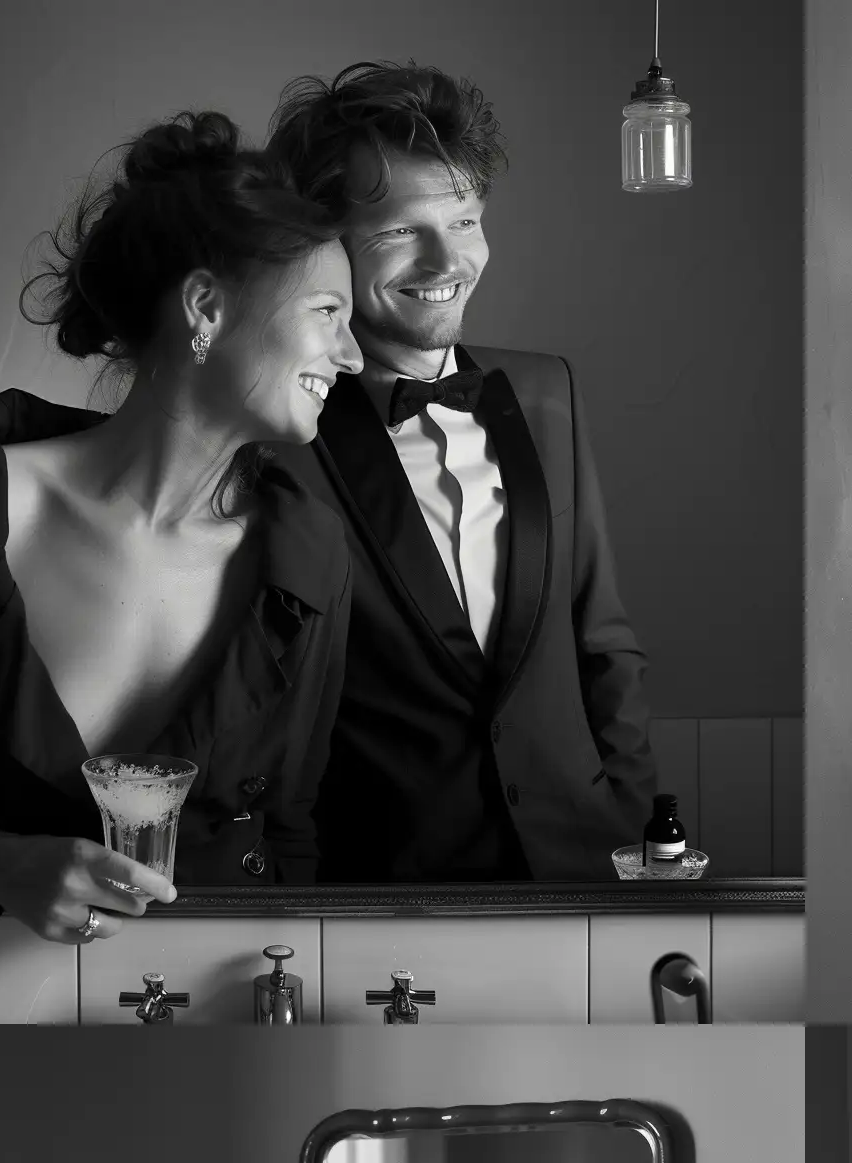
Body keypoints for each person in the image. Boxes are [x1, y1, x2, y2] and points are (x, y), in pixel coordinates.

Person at [0, 114, 360, 948]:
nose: (351, 355)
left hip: (228, 997)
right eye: (328, 311)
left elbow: (292, 835)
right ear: (205, 305)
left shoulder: (308, 558)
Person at [265, 62, 657, 885]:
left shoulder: (549, 388)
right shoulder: (277, 439)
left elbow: (603, 639)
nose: (448, 258)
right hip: (384, 888)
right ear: (324, 245)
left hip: (583, 865)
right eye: (400, 231)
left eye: (467, 220)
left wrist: (630, 823)